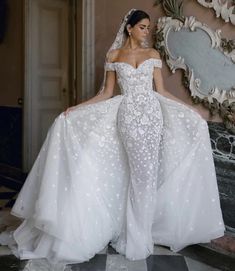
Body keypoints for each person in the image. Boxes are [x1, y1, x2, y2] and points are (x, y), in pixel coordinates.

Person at [0, 8, 225, 271]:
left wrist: (191, 110)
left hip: (152, 119)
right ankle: (133, 235)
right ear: (129, 28)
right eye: (142, 26)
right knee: (137, 174)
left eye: (148, 27)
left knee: (147, 176)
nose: (146, 31)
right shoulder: (114, 56)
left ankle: (139, 234)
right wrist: (77, 109)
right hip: (128, 120)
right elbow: (106, 94)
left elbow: (161, 91)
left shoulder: (153, 55)